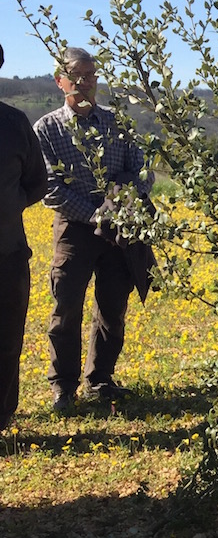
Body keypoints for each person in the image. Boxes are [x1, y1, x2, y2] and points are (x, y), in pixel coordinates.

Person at [35, 47, 154, 413]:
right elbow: (51, 188)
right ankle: (63, 388)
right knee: (66, 306)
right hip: (76, 228)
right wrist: (96, 214)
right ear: (61, 82)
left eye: (92, 77)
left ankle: (101, 380)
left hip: (119, 229)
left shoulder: (118, 122)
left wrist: (124, 197)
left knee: (113, 305)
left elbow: (143, 172)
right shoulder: (48, 128)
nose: (87, 84)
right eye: (79, 77)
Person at [0, 42, 47, 430]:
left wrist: (9, 207)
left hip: (8, 254)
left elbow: (37, 183)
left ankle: (2, 419)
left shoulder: (14, 124)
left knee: (7, 340)